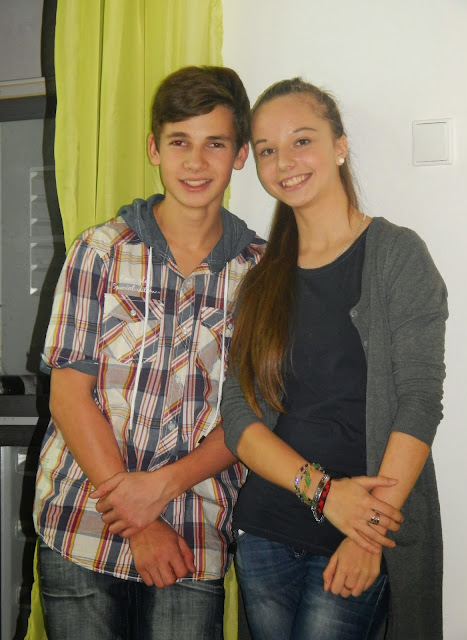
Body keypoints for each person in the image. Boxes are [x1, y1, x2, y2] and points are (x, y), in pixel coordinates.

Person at [33, 65, 266, 640]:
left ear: (240, 154)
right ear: (153, 149)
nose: (195, 162)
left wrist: (160, 490)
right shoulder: (100, 251)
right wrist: (137, 522)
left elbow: (252, 415)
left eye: (215, 144)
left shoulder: (263, 274)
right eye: (179, 142)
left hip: (193, 536)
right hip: (82, 524)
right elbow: (68, 395)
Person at [220, 78, 448, 640]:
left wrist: (368, 532)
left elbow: (419, 402)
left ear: (340, 145)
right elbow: (239, 417)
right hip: (266, 535)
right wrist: (323, 493)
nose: (284, 162)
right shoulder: (261, 281)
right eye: (268, 150)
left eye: (302, 141)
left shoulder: (397, 255)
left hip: (357, 539)